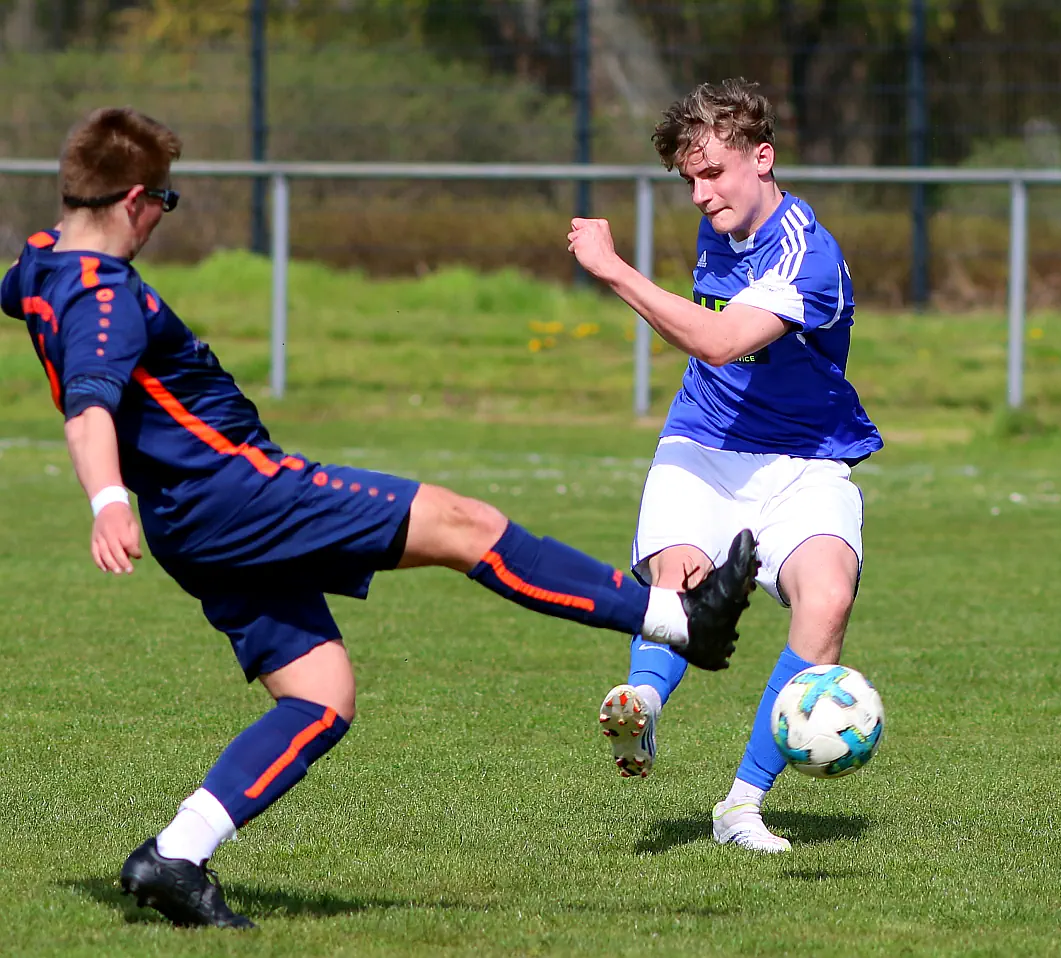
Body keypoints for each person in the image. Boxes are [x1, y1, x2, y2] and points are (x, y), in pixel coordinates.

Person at [2, 107, 759, 929]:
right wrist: (106, 500)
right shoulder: (102, 295)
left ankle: (176, 855)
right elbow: (90, 405)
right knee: (466, 526)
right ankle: (677, 620)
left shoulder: (39, 265)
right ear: (135, 200)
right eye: (165, 203)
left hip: (190, 523)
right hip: (239, 492)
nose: (160, 220)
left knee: (320, 697)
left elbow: (23, 295)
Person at [567, 78, 881, 853]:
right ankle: (641, 704)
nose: (702, 195)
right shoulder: (727, 224)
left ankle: (741, 807)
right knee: (678, 575)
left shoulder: (807, 253)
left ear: (762, 158)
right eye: (690, 180)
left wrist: (613, 269)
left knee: (827, 601)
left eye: (713, 173)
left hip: (805, 462)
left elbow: (718, 342)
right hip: (703, 446)